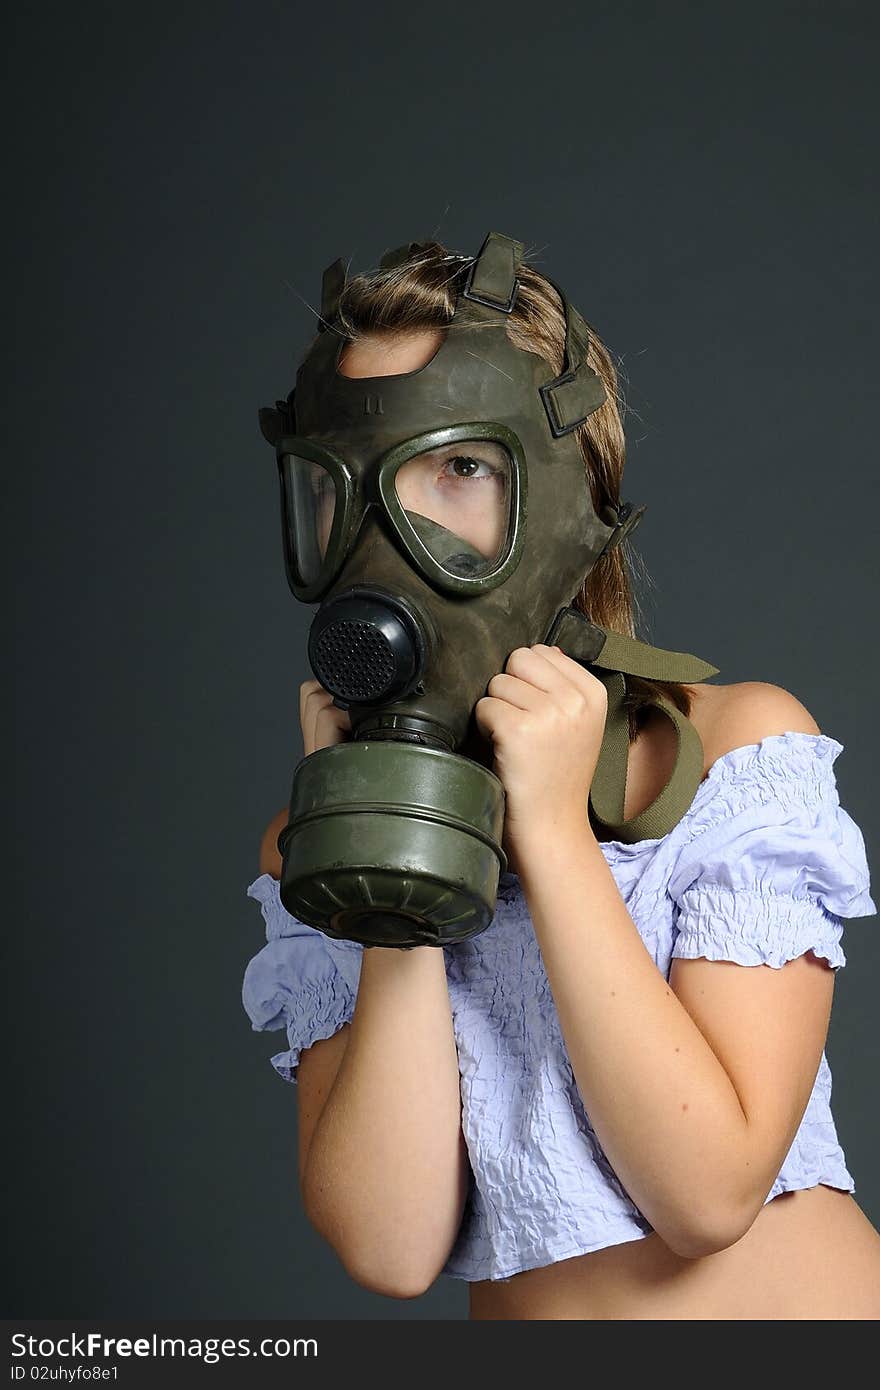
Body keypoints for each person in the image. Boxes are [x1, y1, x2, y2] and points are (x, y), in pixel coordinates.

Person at [242, 241, 880, 1319]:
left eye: (459, 469)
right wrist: (387, 842)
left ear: (560, 495)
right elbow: (391, 1248)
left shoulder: (733, 756)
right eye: (351, 486)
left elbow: (707, 1192)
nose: (391, 538)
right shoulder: (318, 841)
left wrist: (549, 825)